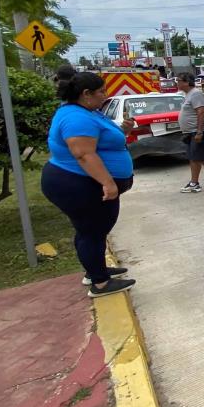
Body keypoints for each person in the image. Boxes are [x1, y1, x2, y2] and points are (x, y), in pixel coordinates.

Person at [41, 70, 136, 298]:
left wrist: (124, 131)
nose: (105, 94)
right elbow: (83, 154)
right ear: (86, 93)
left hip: (82, 183)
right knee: (92, 231)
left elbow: (101, 141)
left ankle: (95, 271)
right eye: (101, 91)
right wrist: (108, 183)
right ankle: (100, 283)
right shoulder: (76, 117)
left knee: (91, 230)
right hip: (80, 184)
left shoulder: (85, 111)